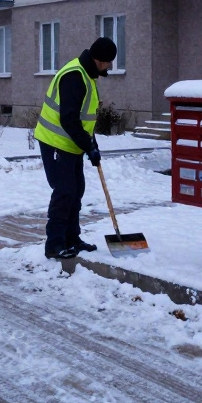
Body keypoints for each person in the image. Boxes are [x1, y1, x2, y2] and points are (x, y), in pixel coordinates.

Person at [33, 37, 117, 260]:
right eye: (109, 62)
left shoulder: (88, 75)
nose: (110, 66)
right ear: (99, 60)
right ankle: (54, 244)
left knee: (76, 190)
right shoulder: (74, 76)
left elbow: (84, 118)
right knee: (65, 191)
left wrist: (92, 145)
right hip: (55, 141)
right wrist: (88, 146)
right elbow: (69, 119)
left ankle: (72, 239)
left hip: (71, 143)